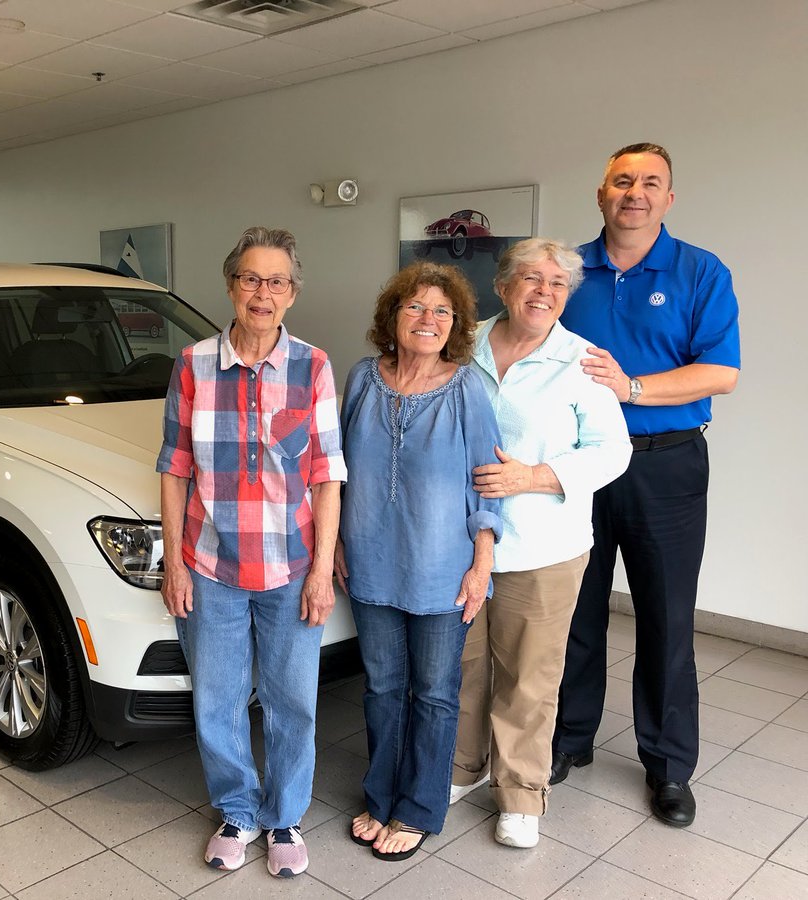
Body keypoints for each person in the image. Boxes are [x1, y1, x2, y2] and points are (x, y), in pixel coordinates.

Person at [551, 143, 741, 828]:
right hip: (576, 464)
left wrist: (630, 388)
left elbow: (720, 372)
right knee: (576, 608)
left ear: (668, 198)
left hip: (665, 463)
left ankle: (667, 765)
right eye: (622, 180)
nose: (635, 192)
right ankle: (567, 739)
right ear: (601, 194)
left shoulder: (700, 271)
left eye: (650, 182)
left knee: (666, 618)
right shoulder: (567, 272)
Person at [157, 226, 346, 878]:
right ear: (231, 286)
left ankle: (285, 815)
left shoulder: (312, 367)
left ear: (292, 293)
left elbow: (326, 476)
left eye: (275, 281)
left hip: (291, 570)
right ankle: (237, 811)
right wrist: (175, 564)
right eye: (250, 279)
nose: (261, 293)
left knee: (293, 702)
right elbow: (175, 468)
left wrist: (322, 571)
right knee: (218, 698)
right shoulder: (192, 366)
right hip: (212, 570)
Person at [449, 238, 631, 848]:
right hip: (458, 543)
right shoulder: (460, 342)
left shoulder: (581, 362)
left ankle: (522, 792)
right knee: (463, 665)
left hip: (543, 548)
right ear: (502, 286)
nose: (543, 292)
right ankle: (462, 767)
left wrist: (533, 476)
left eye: (557, 284)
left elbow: (613, 451)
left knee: (529, 675)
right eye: (530, 278)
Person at [336, 261, 502, 862]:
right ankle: (381, 796)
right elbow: (336, 471)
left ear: (455, 324)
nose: (427, 319)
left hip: (441, 570)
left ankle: (421, 807)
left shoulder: (467, 388)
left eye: (441, 311)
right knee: (382, 686)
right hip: (370, 563)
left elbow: (487, 484)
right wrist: (333, 542)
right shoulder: (361, 378)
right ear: (393, 316)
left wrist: (481, 564)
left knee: (433, 692)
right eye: (414, 307)